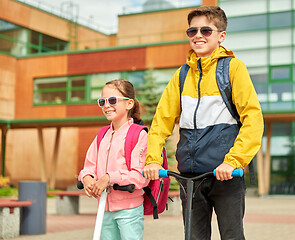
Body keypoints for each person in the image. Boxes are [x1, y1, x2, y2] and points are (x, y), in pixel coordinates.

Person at [143, 6, 264, 240]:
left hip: (225, 175)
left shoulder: (232, 68)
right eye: (192, 31)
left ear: (221, 36)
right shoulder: (181, 75)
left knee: (232, 237)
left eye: (206, 30)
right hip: (191, 178)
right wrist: (153, 160)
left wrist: (233, 161)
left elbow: (253, 119)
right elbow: (160, 123)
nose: (198, 35)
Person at [78, 79, 149, 240]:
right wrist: (87, 178)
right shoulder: (102, 135)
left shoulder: (139, 135)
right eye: (102, 101)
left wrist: (109, 177)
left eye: (112, 100)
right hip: (104, 208)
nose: (106, 105)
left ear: (129, 103)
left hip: (129, 210)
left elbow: (140, 176)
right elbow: (89, 166)